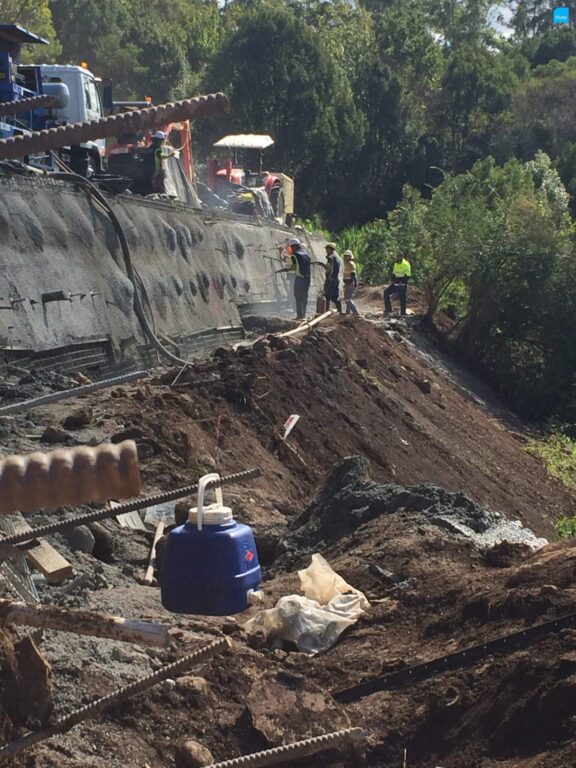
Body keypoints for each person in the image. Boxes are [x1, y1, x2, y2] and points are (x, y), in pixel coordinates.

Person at [288, 237, 311, 320]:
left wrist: (288, 269)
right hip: (307, 278)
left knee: (298, 297)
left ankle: (299, 316)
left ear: (294, 247)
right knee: (305, 297)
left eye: (291, 247)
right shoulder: (306, 254)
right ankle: (303, 315)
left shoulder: (295, 255)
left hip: (299, 278)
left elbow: (294, 267)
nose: (291, 249)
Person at [384, 253, 411, 317]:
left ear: (402, 257)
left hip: (402, 283)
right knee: (386, 292)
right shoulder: (396, 263)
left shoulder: (406, 264)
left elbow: (408, 275)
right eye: (397, 257)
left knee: (402, 298)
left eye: (399, 257)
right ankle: (389, 310)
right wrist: (392, 281)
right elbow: (394, 273)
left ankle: (403, 314)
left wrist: (403, 282)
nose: (398, 258)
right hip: (396, 283)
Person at [324, 242, 342, 313]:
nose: (326, 250)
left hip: (331, 279)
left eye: (327, 249)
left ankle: (326, 313)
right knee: (335, 297)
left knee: (327, 296)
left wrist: (330, 278)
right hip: (335, 279)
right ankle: (340, 312)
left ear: (330, 249)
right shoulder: (335, 257)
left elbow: (332, 269)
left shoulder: (331, 257)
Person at [342, 250, 360, 316]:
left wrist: (353, 282)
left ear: (350, 257)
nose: (345, 257)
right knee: (348, 297)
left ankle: (355, 311)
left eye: (347, 256)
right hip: (347, 282)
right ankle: (348, 312)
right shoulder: (347, 264)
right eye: (345, 256)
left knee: (348, 299)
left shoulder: (351, 264)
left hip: (350, 282)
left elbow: (353, 274)